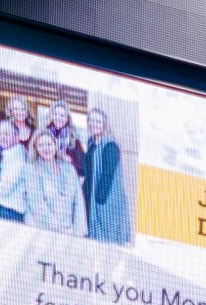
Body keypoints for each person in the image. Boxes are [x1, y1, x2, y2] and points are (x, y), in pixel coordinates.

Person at [21, 130, 85, 235]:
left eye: (48, 144)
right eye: (41, 145)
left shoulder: (69, 168)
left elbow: (78, 201)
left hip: (68, 231)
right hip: (40, 229)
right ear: (36, 148)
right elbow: (36, 203)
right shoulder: (31, 168)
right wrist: (58, 229)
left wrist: (79, 231)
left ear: (55, 145)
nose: (46, 148)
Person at [86, 108, 132, 244]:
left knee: (105, 240)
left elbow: (108, 176)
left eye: (98, 121)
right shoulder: (92, 143)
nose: (94, 123)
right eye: (91, 120)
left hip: (106, 202)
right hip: (93, 198)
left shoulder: (110, 146)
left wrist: (98, 202)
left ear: (105, 124)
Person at [42, 101, 85, 182]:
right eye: (56, 114)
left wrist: (71, 160)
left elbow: (82, 168)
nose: (59, 118)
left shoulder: (74, 138)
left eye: (62, 115)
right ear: (51, 115)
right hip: (45, 177)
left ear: (67, 118)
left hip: (65, 180)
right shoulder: (43, 134)